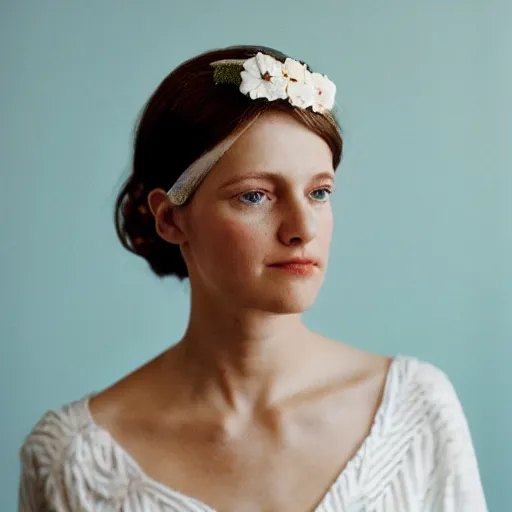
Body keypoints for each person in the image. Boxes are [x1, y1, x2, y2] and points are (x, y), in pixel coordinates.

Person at [18, 45, 487, 511]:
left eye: (319, 192)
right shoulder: (69, 463)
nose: (303, 228)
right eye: (255, 197)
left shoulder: (416, 411)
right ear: (170, 219)